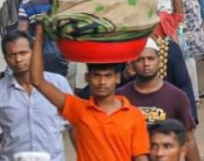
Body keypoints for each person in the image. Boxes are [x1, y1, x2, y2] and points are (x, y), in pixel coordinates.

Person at [30, 23, 150, 161]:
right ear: (88, 78)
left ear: (117, 78)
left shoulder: (134, 115)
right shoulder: (79, 109)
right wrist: (39, 36)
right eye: (97, 76)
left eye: (108, 76)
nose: (102, 82)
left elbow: (141, 157)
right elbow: (37, 81)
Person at [0, 30, 71, 161]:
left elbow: (74, 125)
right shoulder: (1, 91)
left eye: (23, 53)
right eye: (12, 55)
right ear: (6, 58)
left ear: (34, 53)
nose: (18, 59)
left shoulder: (59, 84)